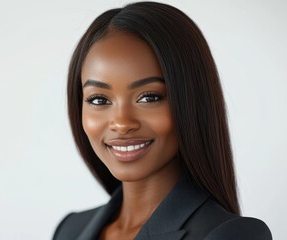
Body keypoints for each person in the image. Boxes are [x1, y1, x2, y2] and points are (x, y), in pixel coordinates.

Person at [53, 2, 272, 239]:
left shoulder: (230, 234)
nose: (122, 123)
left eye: (149, 97)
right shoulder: (69, 230)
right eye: (98, 100)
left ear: (191, 102)